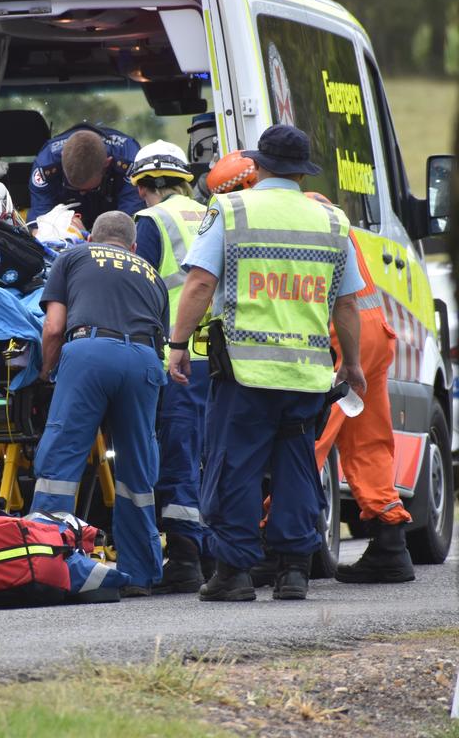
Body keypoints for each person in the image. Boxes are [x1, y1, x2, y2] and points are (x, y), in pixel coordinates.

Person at [168, 125, 366, 602]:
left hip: (246, 371)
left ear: (256, 167)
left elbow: (199, 284)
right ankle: (295, 569)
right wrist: (353, 365)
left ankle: (234, 573)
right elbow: (345, 305)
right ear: (302, 171)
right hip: (306, 374)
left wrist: (177, 344)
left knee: (235, 466)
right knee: (298, 465)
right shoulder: (333, 221)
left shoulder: (232, 210)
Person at [255, 191, 413, 585]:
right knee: (368, 440)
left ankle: (274, 546)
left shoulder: (284, 217)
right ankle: (390, 544)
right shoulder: (324, 208)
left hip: (341, 338)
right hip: (374, 332)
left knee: (307, 442)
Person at [32, 211, 168, 590]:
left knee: (61, 458)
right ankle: (141, 574)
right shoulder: (152, 274)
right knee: (137, 473)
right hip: (142, 360)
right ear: (134, 246)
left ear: (90, 238)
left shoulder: (73, 257)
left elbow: (54, 327)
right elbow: (161, 340)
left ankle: (47, 564)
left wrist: (46, 370)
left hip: (89, 353)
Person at [130, 140, 209, 594]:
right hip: (221, 359)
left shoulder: (151, 221)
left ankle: (184, 560)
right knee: (215, 457)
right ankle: (217, 553)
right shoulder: (215, 214)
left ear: (144, 187)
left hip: (176, 360)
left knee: (178, 458)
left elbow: (137, 285)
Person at [27, 123, 143, 228]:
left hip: (112, 217)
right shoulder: (46, 164)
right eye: (73, 187)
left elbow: (129, 222)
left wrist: (87, 239)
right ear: (62, 159)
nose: (82, 193)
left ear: (106, 163)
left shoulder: (129, 160)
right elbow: (39, 224)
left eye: (91, 188)